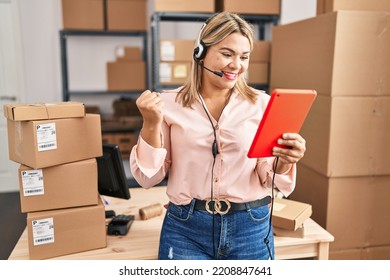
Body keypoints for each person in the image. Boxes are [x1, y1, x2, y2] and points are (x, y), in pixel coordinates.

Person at [130, 11, 306, 260]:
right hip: (186, 228)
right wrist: (150, 123)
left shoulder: (263, 105)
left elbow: (269, 177)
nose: (237, 65)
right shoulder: (168, 104)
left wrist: (286, 159)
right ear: (200, 52)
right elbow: (148, 177)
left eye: (244, 57)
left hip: (250, 227)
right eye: (227, 54)